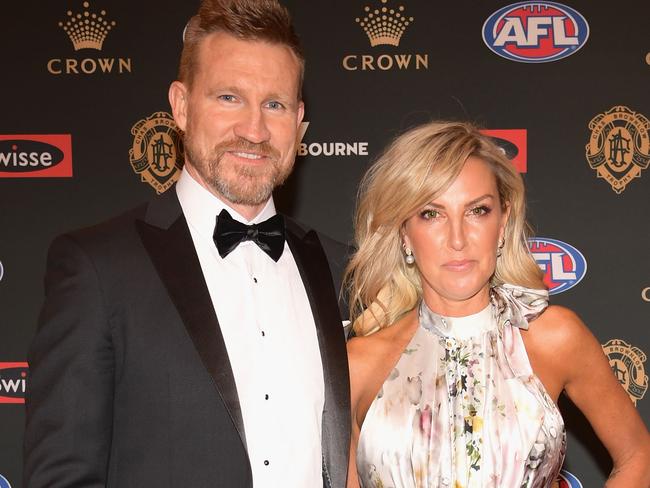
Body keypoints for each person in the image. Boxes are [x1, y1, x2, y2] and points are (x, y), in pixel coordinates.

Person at [23, 1, 350, 486]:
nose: (254, 129)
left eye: (275, 104)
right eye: (228, 97)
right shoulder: (98, 268)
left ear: (300, 120)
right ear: (180, 105)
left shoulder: (340, 266)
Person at [344, 121, 650, 488]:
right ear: (404, 233)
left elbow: (639, 456)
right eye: (431, 213)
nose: (457, 239)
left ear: (503, 222)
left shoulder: (554, 338)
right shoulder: (358, 366)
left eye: (477, 211)